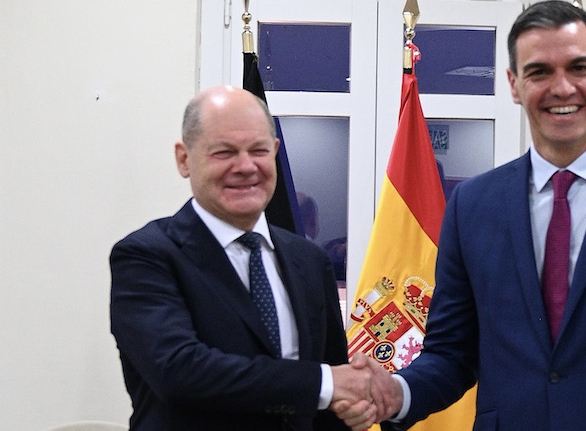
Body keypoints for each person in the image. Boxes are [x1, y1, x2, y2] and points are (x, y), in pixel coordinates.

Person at [336, 0, 586, 430]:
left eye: (578, 68)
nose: (562, 88)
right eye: (539, 72)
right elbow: (452, 355)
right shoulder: (473, 206)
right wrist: (396, 393)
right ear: (514, 84)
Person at [110, 85, 383, 430]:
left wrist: (348, 408)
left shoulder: (309, 260)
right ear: (183, 159)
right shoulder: (146, 256)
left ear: (276, 153)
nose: (245, 166)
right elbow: (179, 372)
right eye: (224, 152)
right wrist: (326, 385)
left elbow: (328, 392)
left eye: (258, 150)